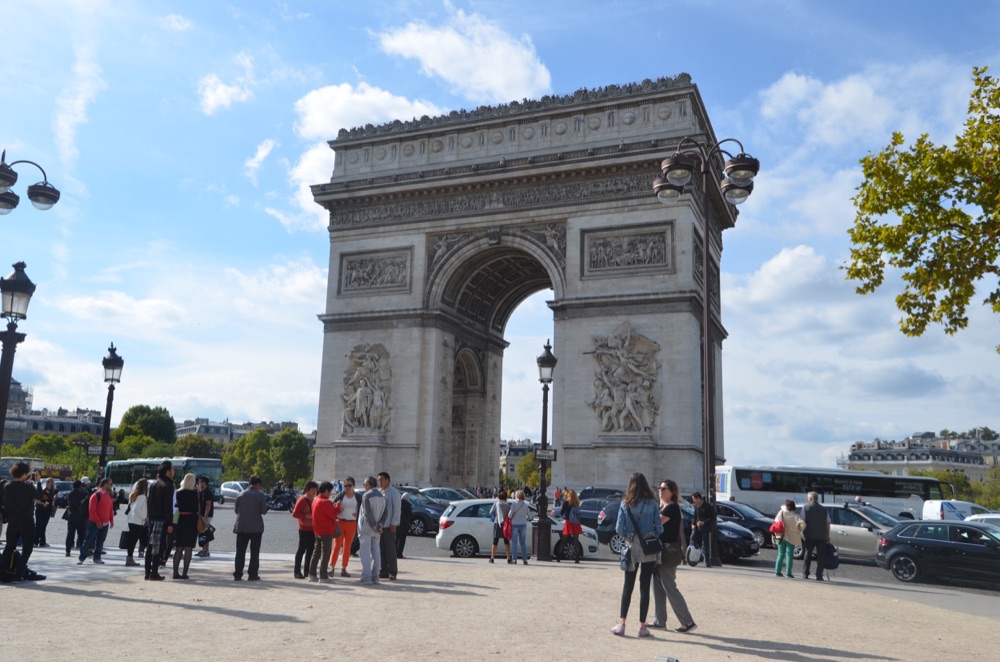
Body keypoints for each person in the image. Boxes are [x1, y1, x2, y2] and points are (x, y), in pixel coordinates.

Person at [611, 472, 663, 638]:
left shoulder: (625, 503)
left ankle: (622, 623)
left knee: (628, 585)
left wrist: (629, 536)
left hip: (632, 545)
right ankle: (642, 626)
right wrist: (650, 534)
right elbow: (659, 528)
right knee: (644, 586)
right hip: (648, 546)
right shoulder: (652, 503)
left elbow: (618, 528)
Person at [650, 479, 696, 633]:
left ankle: (688, 622)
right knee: (657, 586)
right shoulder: (663, 507)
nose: (660, 490)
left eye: (664, 488)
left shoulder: (672, 508)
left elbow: (655, 524)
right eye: (659, 488)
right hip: (659, 551)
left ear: (672, 491)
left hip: (668, 552)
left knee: (669, 587)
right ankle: (659, 621)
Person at [0, 462, 42, 582]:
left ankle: (2, 572)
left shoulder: (7, 486)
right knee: (27, 548)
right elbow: (39, 496)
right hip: (27, 521)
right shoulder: (28, 487)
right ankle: (19, 573)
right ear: (24, 474)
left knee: (9, 547)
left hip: (13, 522)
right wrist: (38, 482)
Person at [233, 476, 269, 581]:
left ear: (249, 483)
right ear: (258, 484)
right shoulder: (260, 495)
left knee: (240, 551)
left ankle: (238, 574)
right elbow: (264, 511)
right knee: (254, 552)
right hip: (256, 527)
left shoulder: (240, 494)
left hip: (242, 526)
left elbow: (236, 510)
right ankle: (252, 574)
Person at [145, 460, 175, 581]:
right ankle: (154, 572)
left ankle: (147, 571)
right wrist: (169, 522)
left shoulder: (153, 484)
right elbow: (168, 506)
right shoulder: (168, 485)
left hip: (152, 518)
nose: (173, 471)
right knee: (158, 546)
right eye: (172, 469)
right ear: (167, 471)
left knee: (150, 545)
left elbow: (149, 502)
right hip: (161, 519)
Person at [357, 476, 387, 585]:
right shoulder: (383, 496)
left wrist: (374, 525)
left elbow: (367, 513)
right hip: (377, 529)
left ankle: (366, 576)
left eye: (364, 484)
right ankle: (375, 576)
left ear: (369, 484)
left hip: (366, 528)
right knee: (376, 553)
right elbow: (385, 514)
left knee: (365, 553)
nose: (364, 486)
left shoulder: (366, 495)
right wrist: (380, 525)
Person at [308, 481, 340, 583]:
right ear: (326, 490)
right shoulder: (325, 502)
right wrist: (338, 507)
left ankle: (312, 574)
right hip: (326, 531)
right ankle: (323, 576)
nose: (330, 494)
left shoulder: (315, 500)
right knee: (325, 554)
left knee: (316, 553)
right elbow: (333, 514)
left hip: (317, 530)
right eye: (329, 492)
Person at [78, 477, 114, 565]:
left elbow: (110, 509)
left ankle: (97, 557)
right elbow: (92, 510)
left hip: (105, 523)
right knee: (89, 540)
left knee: (100, 541)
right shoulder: (95, 495)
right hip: (94, 523)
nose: (111, 486)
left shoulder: (108, 495)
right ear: (105, 484)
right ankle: (81, 557)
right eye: (110, 484)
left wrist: (111, 520)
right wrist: (98, 521)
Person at [330, 477, 361, 577]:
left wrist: (358, 515)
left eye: (349, 485)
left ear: (354, 486)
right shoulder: (341, 495)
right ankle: (332, 567)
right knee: (337, 545)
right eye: (345, 485)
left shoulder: (358, 496)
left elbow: (363, 509)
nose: (347, 487)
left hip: (352, 523)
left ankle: (344, 568)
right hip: (340, 522)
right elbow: (332, 506)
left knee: (347, 547)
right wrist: (338, 507)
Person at [172, 473, 199, 579]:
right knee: (188, 548)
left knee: (179, 547)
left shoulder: (179, 493)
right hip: (192, 520)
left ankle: (175, 572)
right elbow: (198, 507)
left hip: (181, 519)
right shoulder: (195, 493)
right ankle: (184, 573)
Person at [377, 471, 401, 580]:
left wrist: (394, 523)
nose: (380, 482)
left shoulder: (394, 492)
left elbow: (397, 509)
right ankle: (383, 571)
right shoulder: (379, 492)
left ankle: (392, 571)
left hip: (389, 525)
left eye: (381, 480)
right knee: (381, 550)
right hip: (380, 526)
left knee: (390, 550)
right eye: (379, 480)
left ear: (388, 480)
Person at [292, 480, 318, 579]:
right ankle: (297, 571)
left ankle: (307, 571)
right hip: (303, 529)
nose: (314, 492)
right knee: (301, 550)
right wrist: (306, 516)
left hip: (313, 529)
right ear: (307, 490)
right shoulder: (302, 500)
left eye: (315, 490)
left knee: (311, 551)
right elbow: (294, 513)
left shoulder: (314, 500)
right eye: (313, 489)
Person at [802, 491, 830, 581]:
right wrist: (828, 535)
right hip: (822, 536)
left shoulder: (805, 508)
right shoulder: (824, 509)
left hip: (809, 535)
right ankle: (819, 575)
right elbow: (828, 523)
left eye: (808, 498)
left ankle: (805, 573)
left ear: (810, 498)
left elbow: (802, 521)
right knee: (821, 556)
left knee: (808, 554)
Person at [773, 499, 806, 578]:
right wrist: (798, 530)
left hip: (781, 536)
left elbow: (776, 521)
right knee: (789, 555)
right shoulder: (796, 516)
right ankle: (788, 573)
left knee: (780, 554)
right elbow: (803, 525)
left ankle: (777, 571)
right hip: (791, 537)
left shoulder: (781, 513)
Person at [126, 478, 149, 567]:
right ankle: (129, 558)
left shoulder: (132, 494)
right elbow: (137, 509)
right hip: (137, 521)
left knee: (132, 540)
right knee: (134, 540)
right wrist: (144, 517)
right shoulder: (142, 496)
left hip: (131, 519)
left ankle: (129, 557)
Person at [64, 479, 89, 557]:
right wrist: (84, 488)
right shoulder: (82, 493)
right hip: (80, 516)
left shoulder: (70, 493)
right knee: (81, 535)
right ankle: (82, 551)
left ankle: (68, 550)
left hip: (71, 515)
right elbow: (87, 495)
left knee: (70, 534)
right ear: (80, 486)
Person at [689, 491, 716, 561]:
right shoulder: (696, 506)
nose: (693, 501)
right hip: (697, 527)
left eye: (694, 499)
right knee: (692, 538)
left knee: (705, 544)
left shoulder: (707, 506)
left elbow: (712, 518)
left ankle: (706, 559)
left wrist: (703, 522)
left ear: (698, 498)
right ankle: (693, 552)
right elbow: (695, 516)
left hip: (705, 528)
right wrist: (693, 524)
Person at [559, 488, 583, 563]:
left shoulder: (566, 502)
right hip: (576, 523)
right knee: (576, 541)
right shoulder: (576, 503)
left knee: (564, 541)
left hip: (568, 522)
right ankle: (577, 559)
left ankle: (558, 557)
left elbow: (561, 513)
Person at [488, 489, 511, 564]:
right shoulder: (508, 506)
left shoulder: (496, 504)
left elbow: (490, 512)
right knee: (506, 541)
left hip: (497, 523)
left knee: (495, 541)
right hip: (505, 524)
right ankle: (508, 558)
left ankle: (492, 557)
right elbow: (510, 515)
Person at [508, 490, 530, 565]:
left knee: (514, 542)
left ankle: (514, 559)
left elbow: (510, 515)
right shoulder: (526, 505)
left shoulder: (514, 504)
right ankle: (525, 559)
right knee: (523, 542)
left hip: (515, 524)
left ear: (516, 496)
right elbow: (529, 515)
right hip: (523, 524)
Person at [34, 476, 57, 547]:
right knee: (38, 525)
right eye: (46, 481)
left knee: (44, 526)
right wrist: (42, 503)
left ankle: (42, 542)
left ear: (52, 483)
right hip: (40, 509)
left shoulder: (54, 491)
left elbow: (54, 499)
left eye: (48, 481)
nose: (47, 483)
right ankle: (35, 541)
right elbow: (36, 500)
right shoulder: (42, 490)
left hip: (48, 510)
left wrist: (55, 498)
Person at [196, 475, 215, 557]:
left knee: (205, 532)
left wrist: (205, 515)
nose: (198, 483)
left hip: (206, 515)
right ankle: (204, 549)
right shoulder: (201, 492)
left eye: (200, 481)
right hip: (201, 514)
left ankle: (206, 550)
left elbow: (208, 504)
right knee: (203, 532)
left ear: (204, 483)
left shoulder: (208, 492)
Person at [396, 493, 412, 559]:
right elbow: (409, 516)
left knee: (396, 539)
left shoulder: (398, 503)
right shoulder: (408, 505)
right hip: (404, 525)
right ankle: (399, 554)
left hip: (397, 524)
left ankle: (394, 553)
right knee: (402, 541)